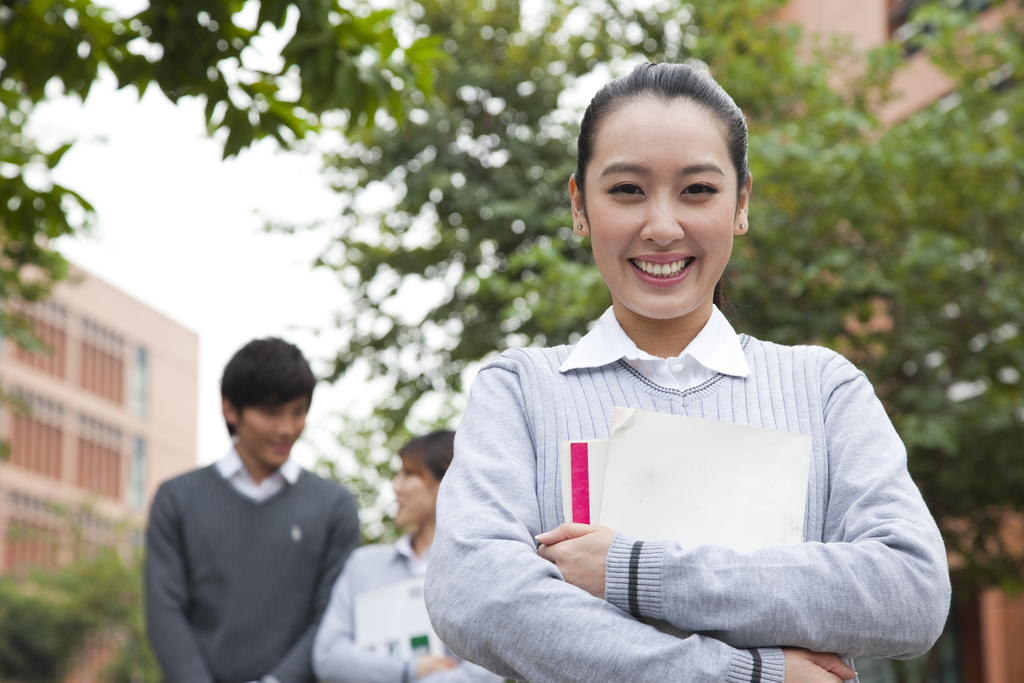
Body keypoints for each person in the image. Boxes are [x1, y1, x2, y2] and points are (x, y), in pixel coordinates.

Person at [424, 62, 951, 683]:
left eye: (697, 190)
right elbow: (476, 594)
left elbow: (910, 592)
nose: (663, 227)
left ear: (741, 204)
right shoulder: (521, 391)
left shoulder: (822, 388)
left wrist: (632, 570)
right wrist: (743, 674)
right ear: (579, 206)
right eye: (627, 190)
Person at [145, 338, 361, 683]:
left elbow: (332, 616)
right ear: (231, 410)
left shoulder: (334, 505)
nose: (287, 428)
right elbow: (164, 610)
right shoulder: (177, 498)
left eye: (298, 411)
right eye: (271, 413)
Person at [312, 431, 503, 683]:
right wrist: (410, 669)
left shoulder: (478, 573)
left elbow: (481, 675)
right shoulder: (363, 565)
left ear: (446, 480)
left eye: (409, 474)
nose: (396, 486)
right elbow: (328, 657)